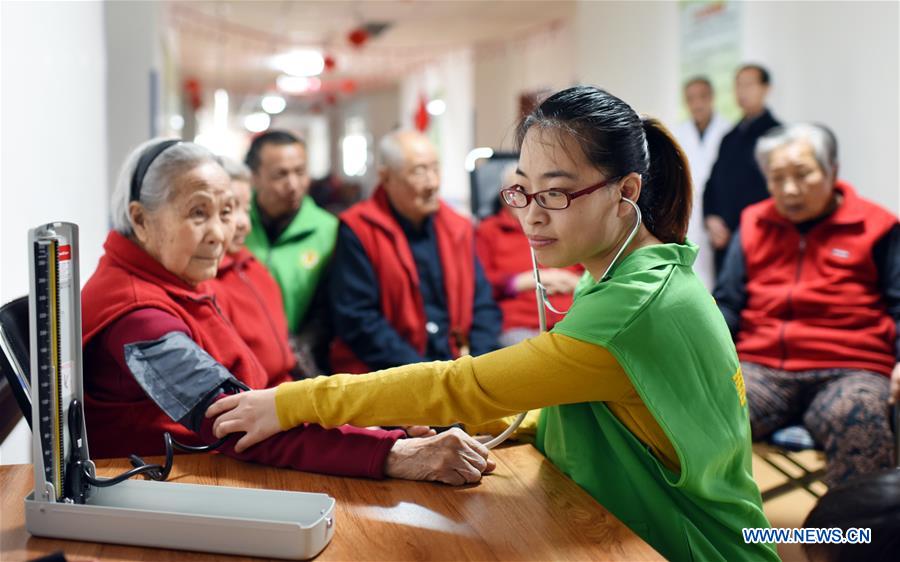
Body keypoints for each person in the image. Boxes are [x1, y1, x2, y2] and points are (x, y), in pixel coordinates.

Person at [207, 86, 779, 561]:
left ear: (626, 191)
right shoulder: (632, 275)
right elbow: (593, 403)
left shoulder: (635, 305)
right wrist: (498, 421)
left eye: (555, 193)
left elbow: (464, 385)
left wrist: (287, 403)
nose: (531, 215)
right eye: (522, 191)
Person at [80, 138, 496, 485]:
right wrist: (396, 454)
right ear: (140, 219)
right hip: (172, 486)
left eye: (226, 212)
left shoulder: (175, 279)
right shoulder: (139, 315)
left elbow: (265, 400)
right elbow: (240, 423)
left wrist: (374, 425)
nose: (220, 235)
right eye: (197, 213)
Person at [713, 123, 900, 487]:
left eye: (802, 175)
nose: (789, 190)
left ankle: (858, 541)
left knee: (859, 418)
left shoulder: (877, 226)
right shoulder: (753, 223)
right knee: (700, 409)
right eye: (776, 178)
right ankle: (702, 538)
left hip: (849, 370)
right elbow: (728, 305)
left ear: (832, 169)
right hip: (761, 369)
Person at [327, 129, 501, 373]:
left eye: (435, 168)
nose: (433, 183)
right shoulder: (358, 229)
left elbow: (482, 303)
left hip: (455, 370)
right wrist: (425, 376)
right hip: (387, 374)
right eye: (419, 171)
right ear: (386, 178)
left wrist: (478, 365)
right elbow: (358, 320)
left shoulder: (457, 227)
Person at [243, 130, 336, 366]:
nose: (293, 184)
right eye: (280, 175)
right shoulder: (235, 225)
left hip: (300, 361)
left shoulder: (328, 231)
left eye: (300, 172)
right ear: (253, 177)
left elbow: (328, 310)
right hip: (239, 357)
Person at [209, 156, 301, 381]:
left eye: (247, 210)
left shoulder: (251, 265)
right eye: (229, 209)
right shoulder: (208, 282)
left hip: (283, 391)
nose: (244, 223)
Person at [476, 163, 581, 346]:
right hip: (522, 324)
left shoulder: (561, 223)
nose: (528, 199)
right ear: (505, 197)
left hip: (573, 316)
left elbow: (595, 268)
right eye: (518, 190)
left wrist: (577, 283)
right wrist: (517, 282)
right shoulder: (489, 231)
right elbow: (479, 285)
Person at [703, 64, 781, 273]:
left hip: (762, 239)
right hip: (723, 242)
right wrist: (711, 218)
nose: (741, 91)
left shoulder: (778, 135)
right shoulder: (729, 137)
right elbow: (711, 184)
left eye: (749, 84)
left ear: (766, 89)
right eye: (737, 85)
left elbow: (776, 192)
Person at [673, 76, 731, 288]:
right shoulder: (677, 134)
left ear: (712, 97)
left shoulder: (728, 131)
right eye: (691, 98)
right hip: (688, 209)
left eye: (702, 97)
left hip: (718, 213)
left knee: (720, 273)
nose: (697, 103)